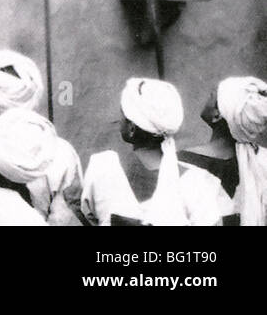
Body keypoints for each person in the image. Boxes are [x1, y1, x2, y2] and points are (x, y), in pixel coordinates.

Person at [81, 78, 233, 226]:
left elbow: (89, 216)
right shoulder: (196, 182)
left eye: (122, 114)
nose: (119, 120)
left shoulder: (103, 168)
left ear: (132, 128)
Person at [179, 76, 267, 225]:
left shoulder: (181, 165)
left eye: (212, 94)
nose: (208, 96)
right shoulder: (263, 160)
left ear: (217, 115)